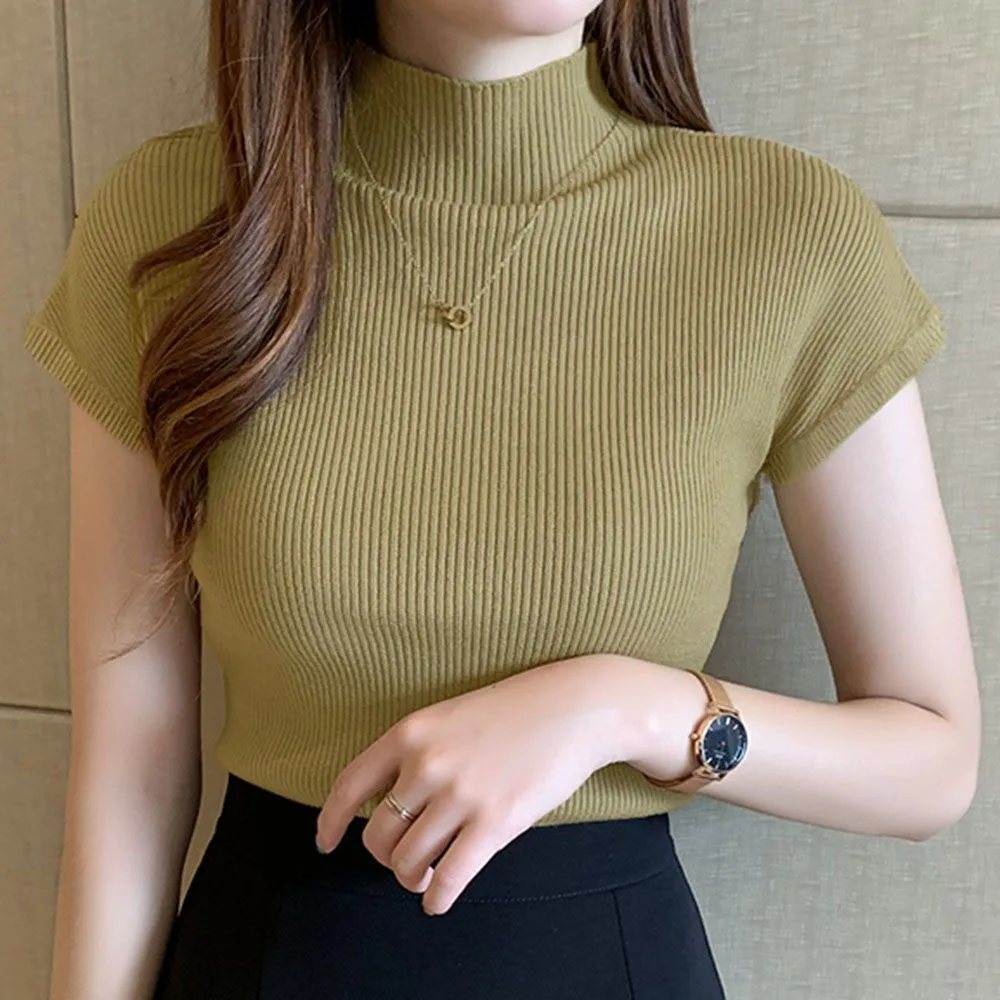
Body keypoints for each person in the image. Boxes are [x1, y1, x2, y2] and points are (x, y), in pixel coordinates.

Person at [21, 1, 981, 998]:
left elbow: (930, 761)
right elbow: (131, 774)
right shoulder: (172, 221)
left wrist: (627, 709)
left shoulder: (789, 234)